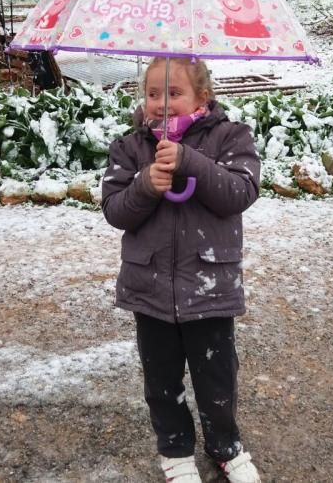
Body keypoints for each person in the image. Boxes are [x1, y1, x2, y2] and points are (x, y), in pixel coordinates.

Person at [101, 57, 262, 483]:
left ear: (201, 96)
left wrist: (191, 161)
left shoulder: (231, 137)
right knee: (162, 378)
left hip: (209, 284)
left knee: (217, 376)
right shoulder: (131, 146)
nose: (161, 103)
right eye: (153, 93)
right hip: (149, 286)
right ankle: (175, 451)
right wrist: (145, 185)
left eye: (173, 93)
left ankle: (225, 445)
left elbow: (240, 192)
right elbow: (115, 211)